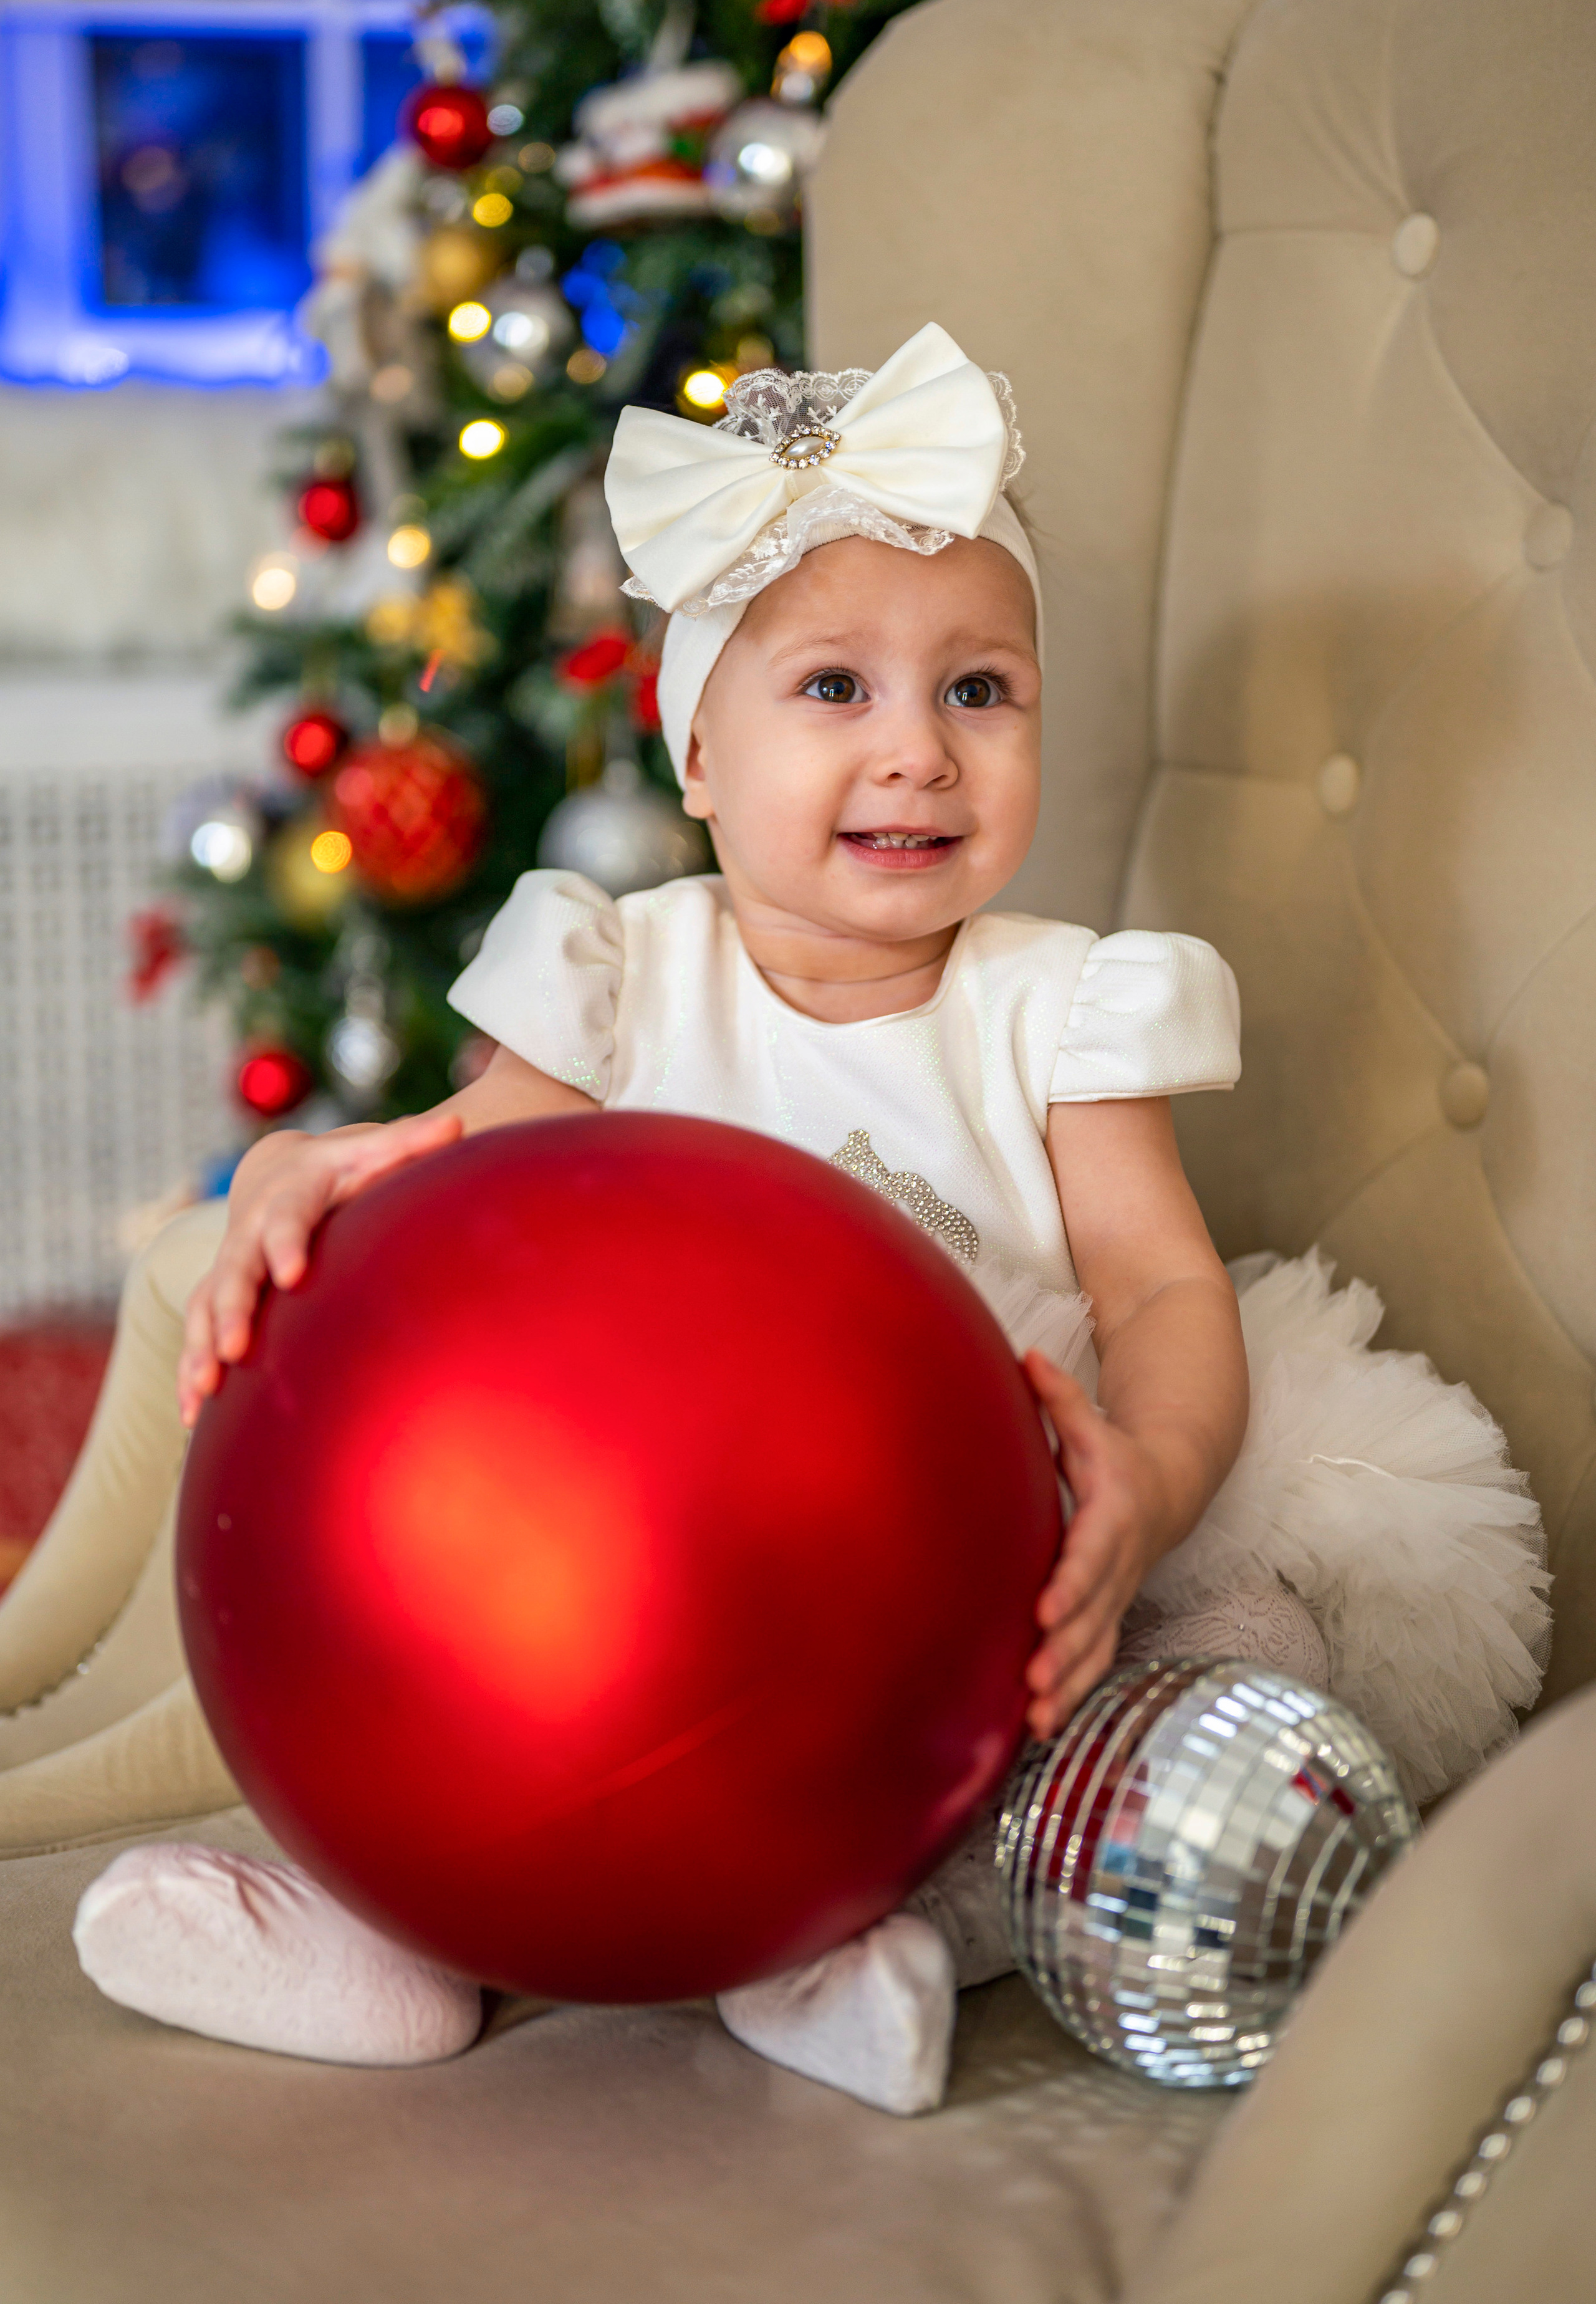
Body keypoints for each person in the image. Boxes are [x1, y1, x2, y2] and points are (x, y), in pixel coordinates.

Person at [74, 327, 1549, 2115]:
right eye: (835, 690)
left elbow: (1156, 1281)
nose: (918, 754)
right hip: (651, 1573)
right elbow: (469, 1193)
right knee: (482, 1656)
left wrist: (1146, 1485)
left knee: (1253, 1643)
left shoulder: (1061, 1006)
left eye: (979, 692)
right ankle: (387, 1927)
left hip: (958, 1560)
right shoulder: (621, 972)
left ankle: (886, 1926)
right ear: (697, 757)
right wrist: (332, 1161)